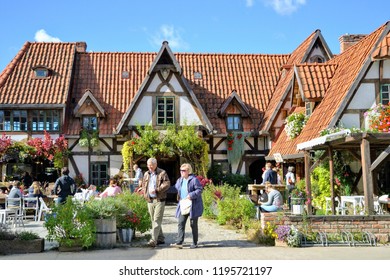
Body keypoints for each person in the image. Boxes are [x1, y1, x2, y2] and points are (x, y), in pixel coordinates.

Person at [171, 163, 203, 249]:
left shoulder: (194, 180)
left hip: (193, 205)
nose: (181, 172)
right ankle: (179, 242)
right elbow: (176, 188)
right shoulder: (180, 180)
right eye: (181, 170)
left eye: (183, 170)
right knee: (181, 223)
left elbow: (199, 190)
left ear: (188, 171)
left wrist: (191, 195)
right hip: (183, 204)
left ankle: (195, 242)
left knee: (193, 224)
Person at [140, 157, 170, 247]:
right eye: (148, 165)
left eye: (151, 165)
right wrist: (143, 191)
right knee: (153, 220)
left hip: (159, 200)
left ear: (156, 164)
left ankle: (153, 240)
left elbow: (167, 183)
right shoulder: (146, 174)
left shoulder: (162, 172)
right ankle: (161, 238)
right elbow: (144, 184)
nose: (150, 167)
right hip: (149, 200)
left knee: (156, 220)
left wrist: (157, 190)